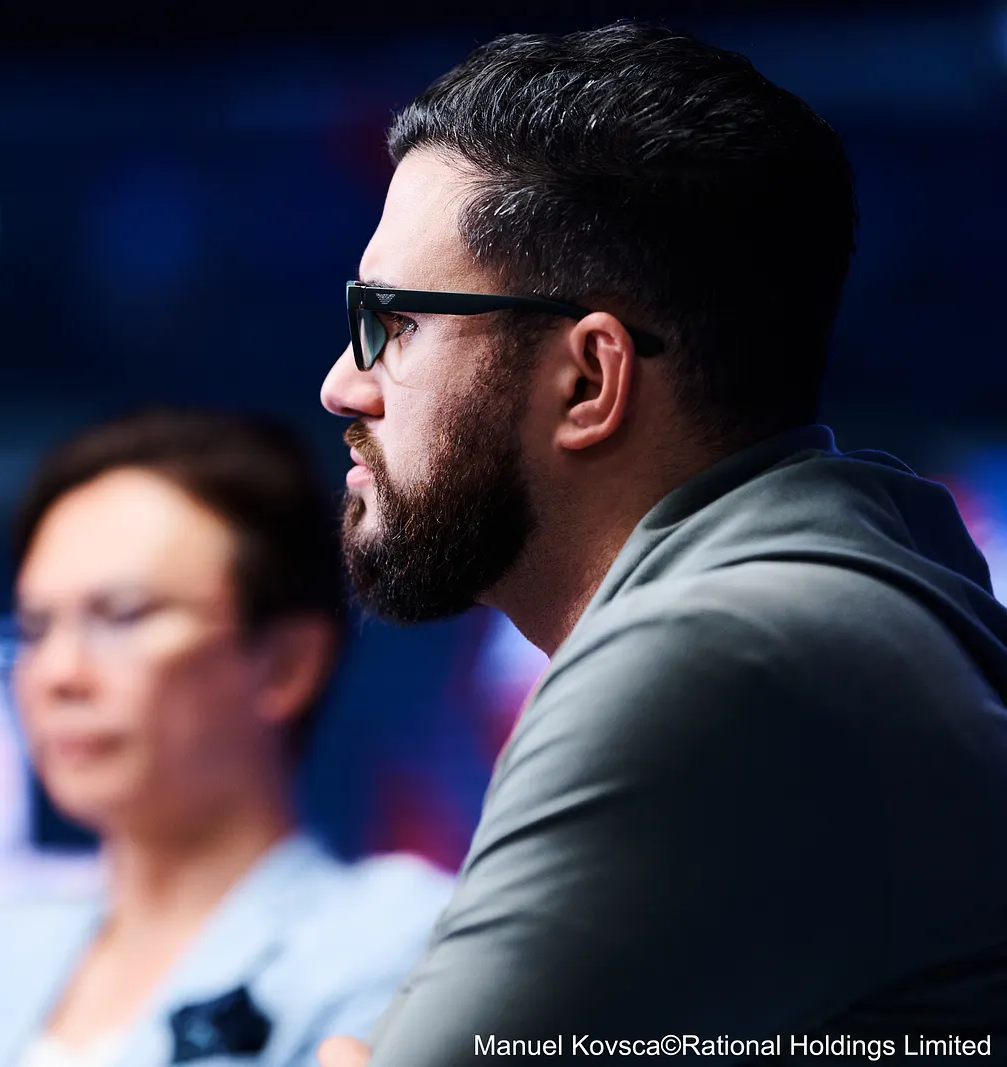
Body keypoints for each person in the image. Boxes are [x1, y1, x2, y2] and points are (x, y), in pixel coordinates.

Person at [313, 22, 1007, 1066]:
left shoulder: (711, 653)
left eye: (395, 322)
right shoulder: (849, 604)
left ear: (588, 379)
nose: (342, 384)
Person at [0, 408, 452, 1067]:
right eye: (35, 629)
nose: (59, 673)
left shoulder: (403, 949)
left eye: (123, 616)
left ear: (285, 663)